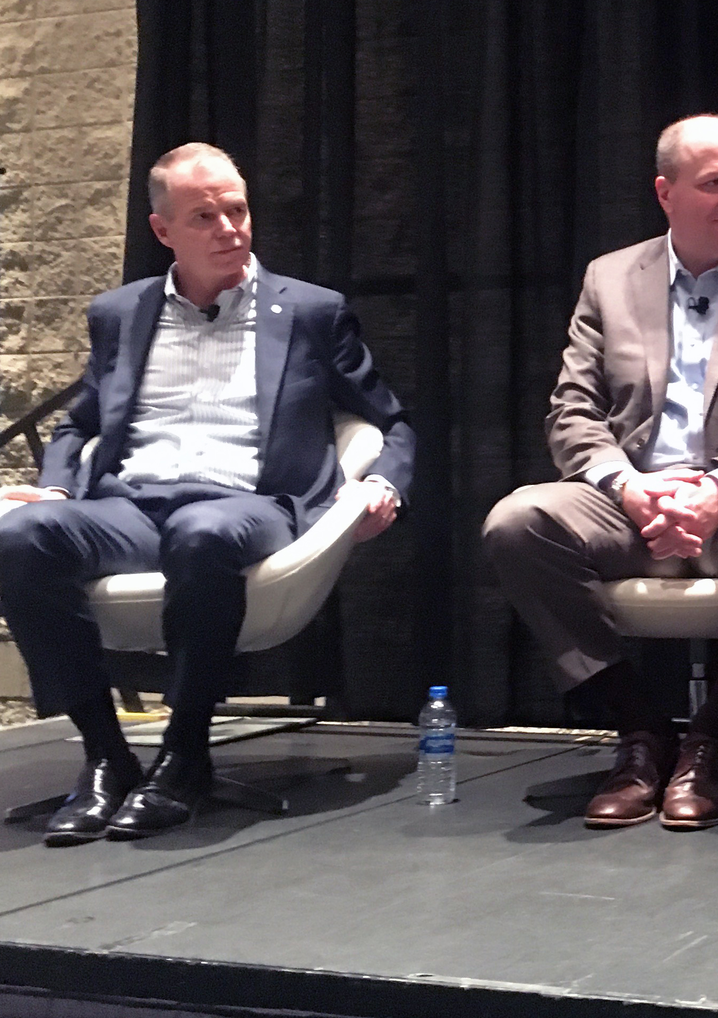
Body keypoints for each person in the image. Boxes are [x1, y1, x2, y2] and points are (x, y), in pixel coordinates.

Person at [0, 143, 414, 844]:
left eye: (237, 210)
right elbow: (80, 424)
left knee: (201, 531)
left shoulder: (311, 312)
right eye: (204, 217)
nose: (229, 228)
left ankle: (184, 755)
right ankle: (105, 758)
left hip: (250, 504)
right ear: (163, 231)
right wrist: (59, 489)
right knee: (18, 536)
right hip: (132, 506)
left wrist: (383, 483)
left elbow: (392, 421)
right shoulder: (120, 313)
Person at [483, 114, 718, 832]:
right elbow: (571, 411)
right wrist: (628, 486)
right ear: (666, 193)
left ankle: (711, 733)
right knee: (517, 522)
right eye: (715, 184)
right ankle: (639, 727)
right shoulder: (610, 279)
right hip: (636, 500)